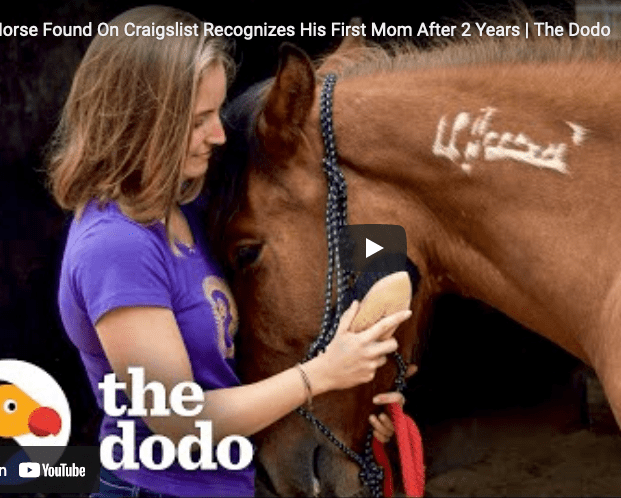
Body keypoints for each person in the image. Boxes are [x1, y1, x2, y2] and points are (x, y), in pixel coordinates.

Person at [47, 6, 412, 497]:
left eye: (217, 113)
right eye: (198, 121)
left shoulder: (191, 206)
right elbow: (179, 421)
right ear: (141, 122)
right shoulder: (116, 247)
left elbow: (357, 228)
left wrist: (369, 373)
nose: (218, 135)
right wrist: (322, 375)